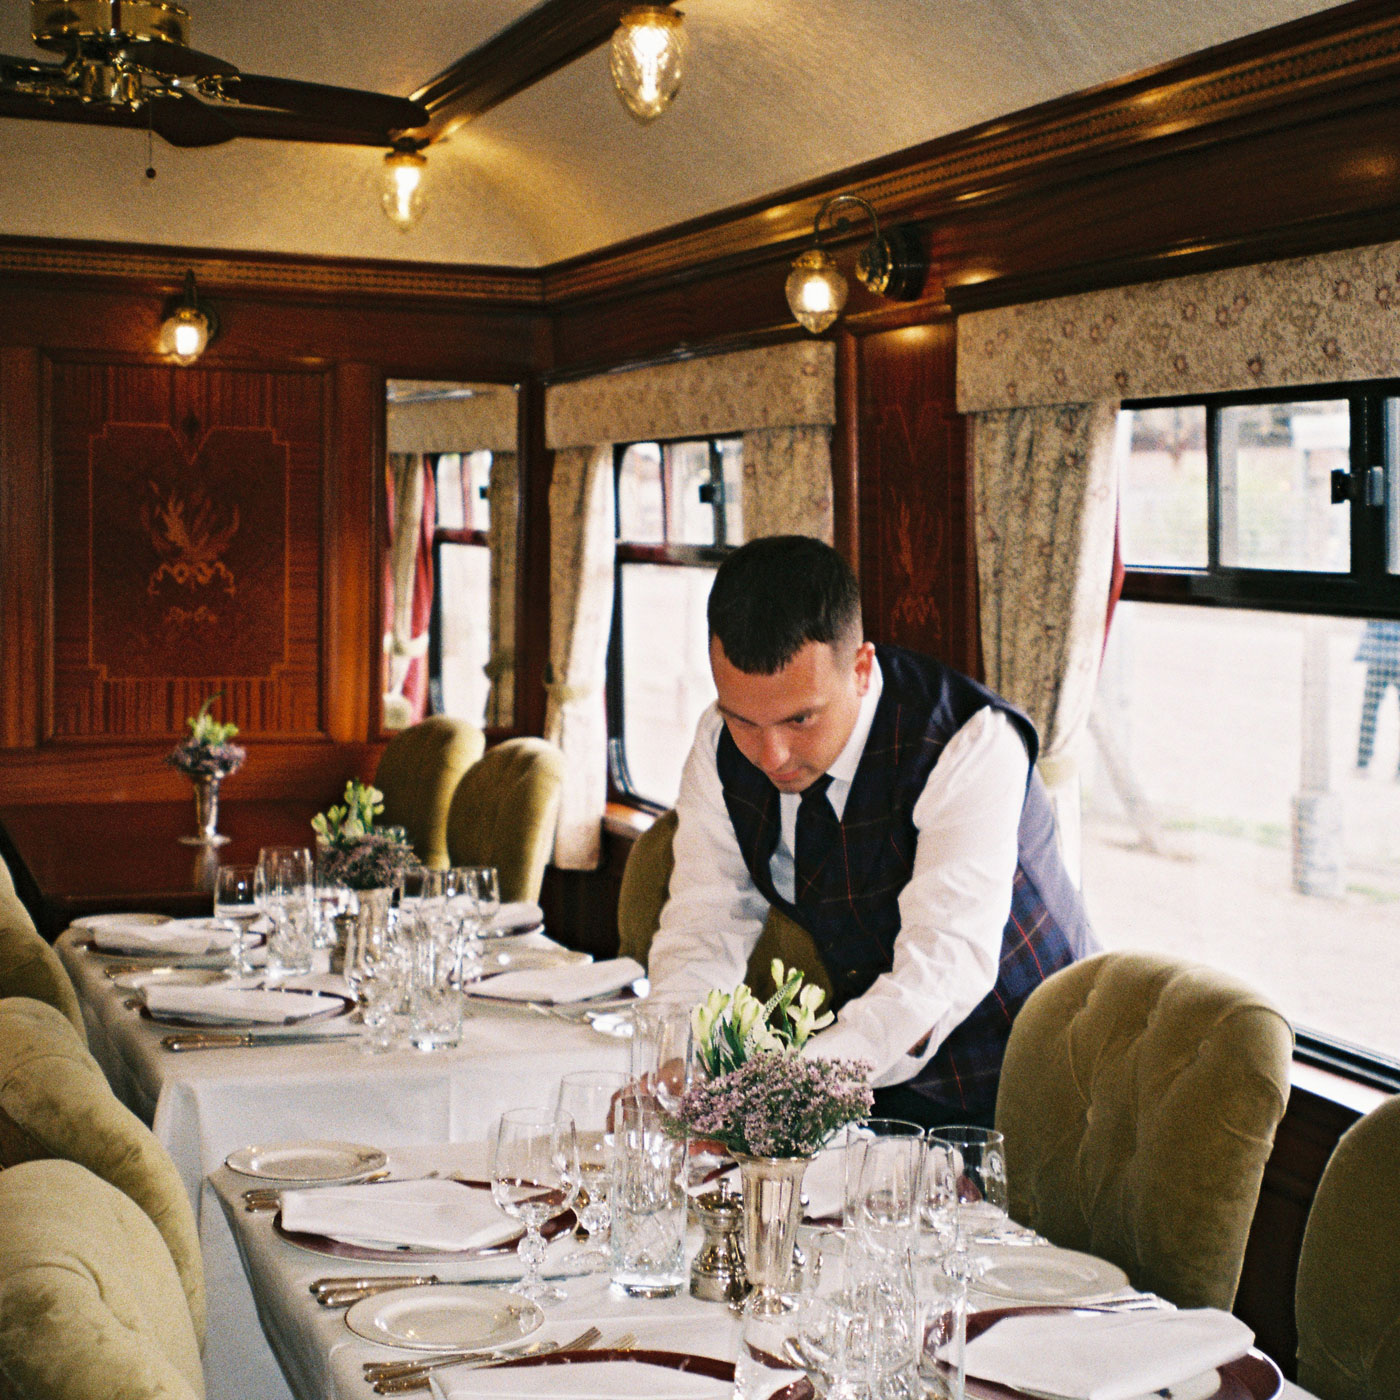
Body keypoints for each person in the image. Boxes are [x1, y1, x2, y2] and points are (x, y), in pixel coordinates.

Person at [647, 535, 1098, 1129]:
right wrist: (677, 1061)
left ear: (860, 668)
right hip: (876, 1080)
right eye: (743, 721)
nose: (771, 754)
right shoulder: (717, 743)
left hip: (1038, 1083)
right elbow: (705, 924)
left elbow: (940, 968)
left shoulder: (969, 744)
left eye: (800, 718)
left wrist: (791, 1090)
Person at [1355, 619, 1400, 776]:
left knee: (1369, 711)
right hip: (1388, 659)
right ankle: (1362, 761)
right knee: (1369, 711)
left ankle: (1362, 761)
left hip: (1379, 658)